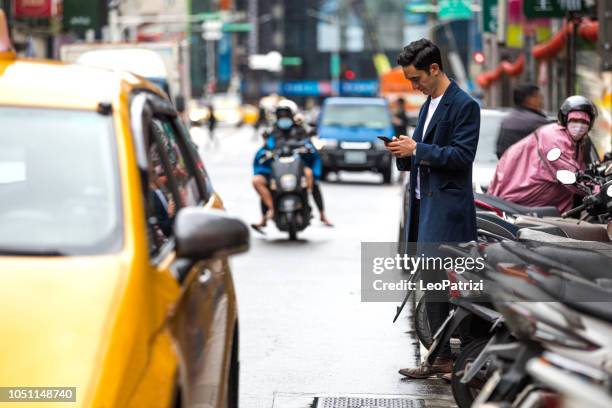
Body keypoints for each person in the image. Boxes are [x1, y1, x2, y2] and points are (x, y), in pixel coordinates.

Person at [385, 38, 480, 379]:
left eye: (416, 78)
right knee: (433, 282)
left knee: (449, 284)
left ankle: (461, 356)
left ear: (435, 68)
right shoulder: (428, 104)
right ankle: (440, 358)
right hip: (425, 205)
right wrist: (404, 152)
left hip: (448, 209)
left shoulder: (463, 105)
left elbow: (461, 156)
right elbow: (422, 151)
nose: (414, 85)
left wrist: (418, 149)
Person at [488, 95, 598, 213]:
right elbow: (569, 174)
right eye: (575, 120)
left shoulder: (576, 141)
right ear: (565, 119)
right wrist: (597, 189)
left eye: (584, 121)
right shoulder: (554, 137)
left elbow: (581, 169)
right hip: (522, 200)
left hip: (543, 203)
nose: (579, 126)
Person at [251, 101, 332, 230]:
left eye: (286, 116)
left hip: (297, 168)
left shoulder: (300, 130)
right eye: (281, 116)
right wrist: (266, 153)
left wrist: (307, 149)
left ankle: (318, 211)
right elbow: (264, 151)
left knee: (310, 175)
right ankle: (269, 212)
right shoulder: (272, 132)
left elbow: (309, 145)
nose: (284, 119)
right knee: (258, 181)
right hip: (276, 170)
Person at [496, 83, 550, 158]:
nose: (541, 98)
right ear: (529, 99)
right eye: (538, 95)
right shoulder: (537, 122)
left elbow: (499, 150)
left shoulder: (507, 120)